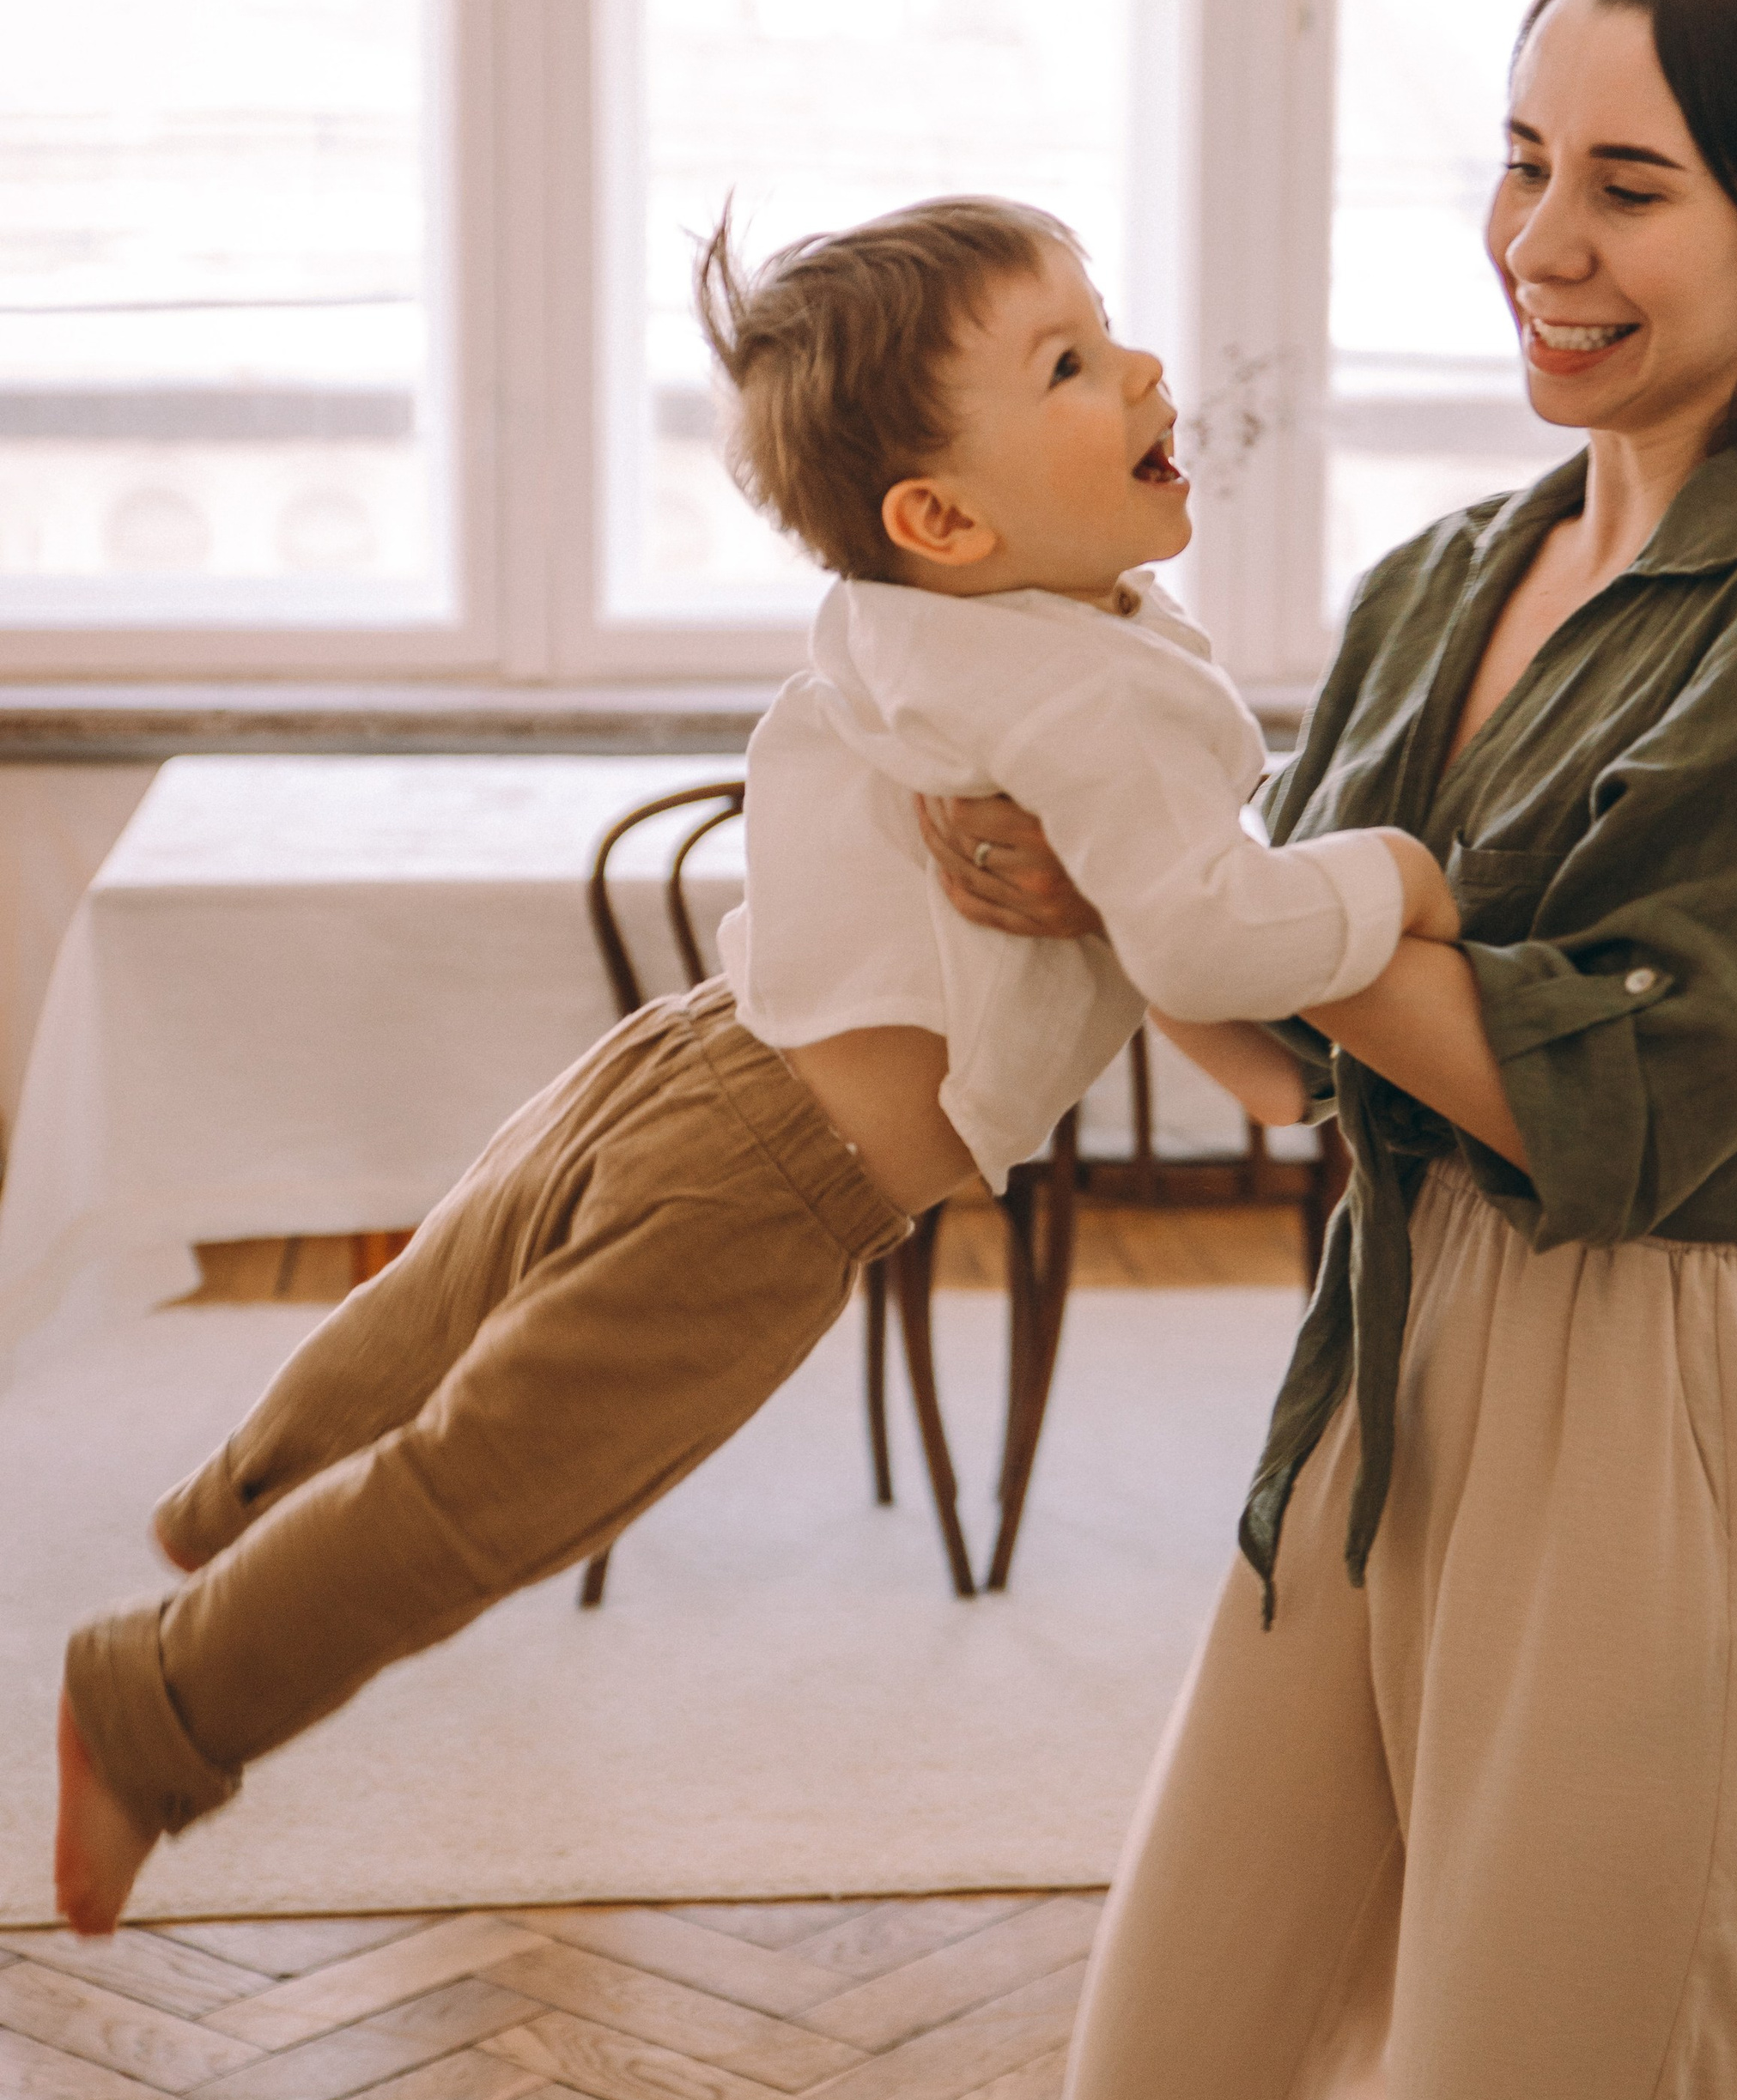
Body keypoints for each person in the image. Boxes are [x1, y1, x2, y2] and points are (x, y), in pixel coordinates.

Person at [920, 0, 1737, 2100]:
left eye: (1628, 183)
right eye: (1523, 164)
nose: (1541, 243)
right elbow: (1315, 1068)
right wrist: (1116, 907)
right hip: (1381, 1366)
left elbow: (1628, 1104)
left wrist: (1229, 911)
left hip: (1659, 1405)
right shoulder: (1449, 577)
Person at [53, 194, 1460, 1936]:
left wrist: (1270, 1054)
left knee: (443, 1298)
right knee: (496, 1486)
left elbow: (1157, 962)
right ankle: (155, 1712)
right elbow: (1194, 930)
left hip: (695, 1048)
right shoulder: (1105, 695)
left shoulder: (927, 618)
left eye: (1105, 327)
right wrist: (1391, 878)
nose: (1144, 366)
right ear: (940, 514)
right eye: (1072, 363)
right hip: (776, 1179)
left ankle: (240, 1492)